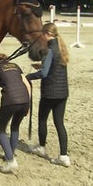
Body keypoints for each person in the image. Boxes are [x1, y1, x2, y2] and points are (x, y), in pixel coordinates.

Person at [26, 22, 71, 167]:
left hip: (50, 92)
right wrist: (42, 65)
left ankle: (42, 147)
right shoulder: (60, 47)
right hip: (63, 92)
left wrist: (27, 77)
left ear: (45, 35)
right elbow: (53, 67)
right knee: (59, 124)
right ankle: (64, 156)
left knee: (42, 120)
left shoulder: (49, 50)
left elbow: (43, 74)